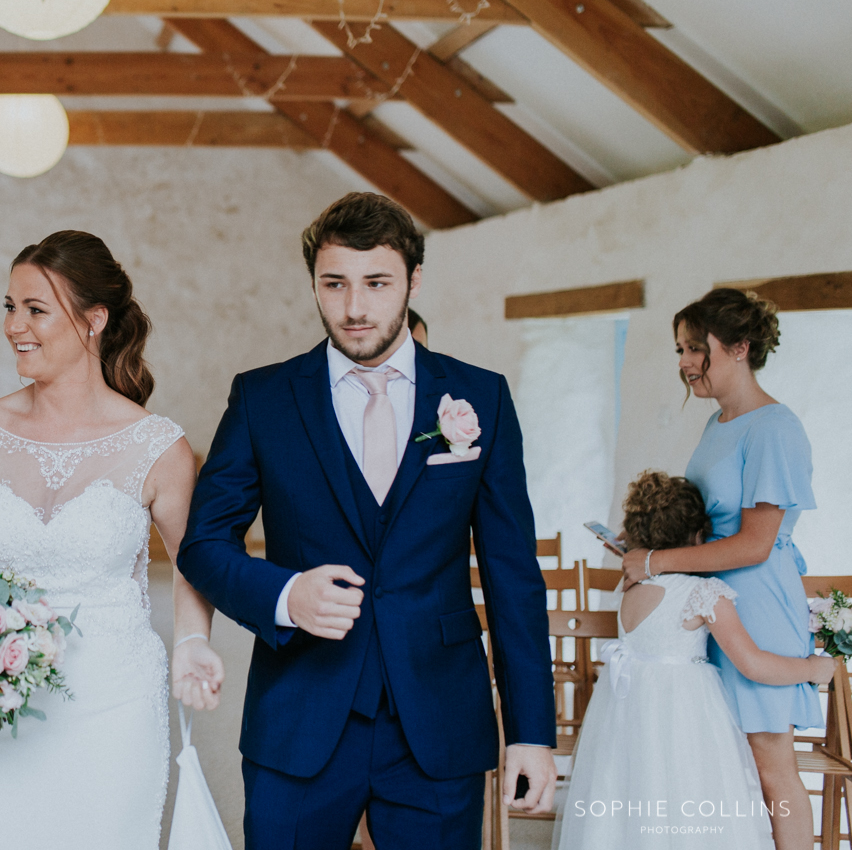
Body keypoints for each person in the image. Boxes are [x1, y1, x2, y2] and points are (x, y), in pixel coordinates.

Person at [177, 192, 556, 850]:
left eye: (376, 283)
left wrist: (531, 731)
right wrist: (285, 595)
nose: (354, 308)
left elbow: (512, 576)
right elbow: (204, 543)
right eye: (335, 284)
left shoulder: (479, 399)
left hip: (438, 725)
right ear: (315, 285)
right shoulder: (263, 398)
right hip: (300, 718)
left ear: (412, 279)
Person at [0, 230, 224, 850]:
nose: (14, 326)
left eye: (36, 309)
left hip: (113, 703)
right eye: (9, 307)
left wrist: (192, 642)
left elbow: (196, 564)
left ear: (94, 320)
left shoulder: (157, 445)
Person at [621, 288, 819, 849]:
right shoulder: (717, 425)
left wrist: (656, 561)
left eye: (693, 348)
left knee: (768, 762)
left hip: (755, 604)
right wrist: (643, 546)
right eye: (679, 349)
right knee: (723, 757)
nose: (683, 362)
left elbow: (755, 544)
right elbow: (708, 526)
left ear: (738, 347)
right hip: (707, 604)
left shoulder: (774, 428)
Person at [558, 471, 834, 849]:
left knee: (639, 794)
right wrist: (813, 668)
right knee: (693, 794)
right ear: (698, 538)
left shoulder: (632, 587)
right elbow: (752, 663)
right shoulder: (705, 593)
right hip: (687, 719)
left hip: (630, 718)